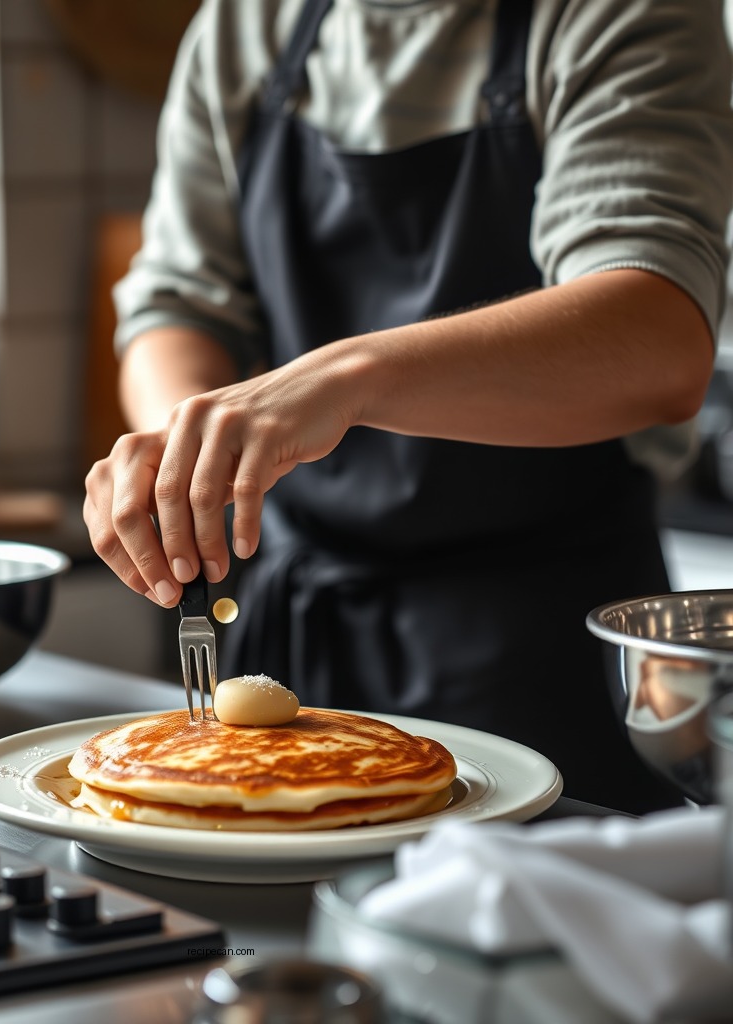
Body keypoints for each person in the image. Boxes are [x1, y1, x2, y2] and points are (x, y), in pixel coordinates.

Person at [83, 0, 733, 813]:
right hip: (295, 620)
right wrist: (191, 452)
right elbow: (178, 308)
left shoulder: (622, 12)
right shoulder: (246, 25)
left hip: (539, 648)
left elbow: (655, 339)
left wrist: (346, 378)